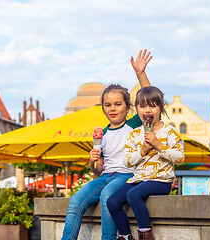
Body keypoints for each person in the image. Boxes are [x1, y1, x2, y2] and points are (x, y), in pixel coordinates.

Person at [61, 50, 152, 240]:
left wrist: (140, 73)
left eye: (118, 104)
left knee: (106, 198)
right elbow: (98, 170)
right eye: (108, 105)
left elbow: (149, 98)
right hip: (105, 177)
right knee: (76, 201)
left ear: (128, 107)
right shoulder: (101, 134)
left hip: (126, 175)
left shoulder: (133, 124)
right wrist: (92, 161)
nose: (112, 109)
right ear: (103, 108)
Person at [107, 86, 184, 240]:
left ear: (161, 109)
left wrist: (159, 145)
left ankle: (145, 233)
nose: (147, 110)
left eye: (152, 106)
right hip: (138, 179)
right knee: (112, 201)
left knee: (133, 194)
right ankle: (125, 235)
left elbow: (180, 158)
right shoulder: (134, 134)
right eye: (142, 106)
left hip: (161, 180)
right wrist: (142, 151)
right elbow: (127, 161)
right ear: (137, 110)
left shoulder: (170, 132)